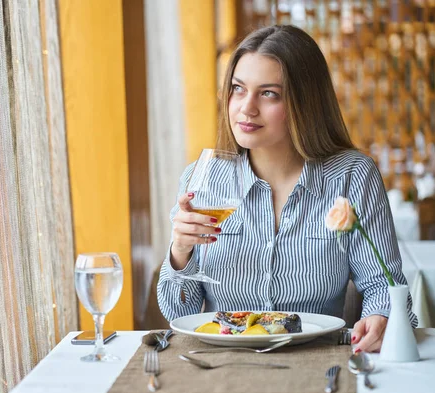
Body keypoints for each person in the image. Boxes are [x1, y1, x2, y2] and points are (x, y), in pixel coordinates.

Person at [157, 25, 417, 353]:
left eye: (269, 93)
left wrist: (380, 317)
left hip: (319, 362)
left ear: (305, 102)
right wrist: (181, 252)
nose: (246, 108)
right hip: (223, 362)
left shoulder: (352, 176)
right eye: (238, 89)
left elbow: (384, 285)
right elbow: (179, 313)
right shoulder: (202, 179)